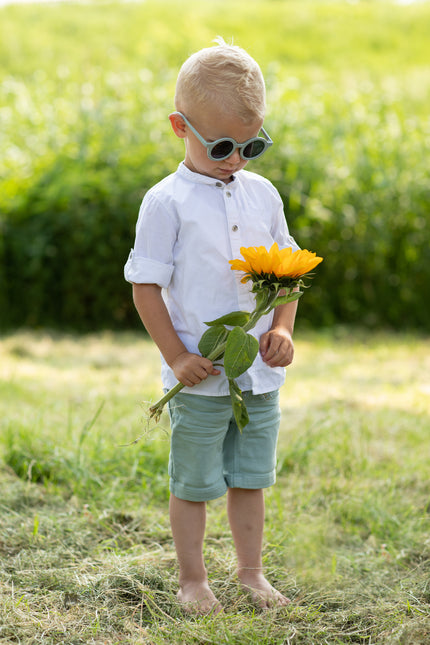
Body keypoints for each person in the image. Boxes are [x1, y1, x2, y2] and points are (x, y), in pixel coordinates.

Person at [124, 38, 300, 615]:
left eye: (253, 145)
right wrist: (176, 356)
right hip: (198, 378)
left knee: (251, 478)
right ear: (180, 126)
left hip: (257, 378)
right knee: (195, 482)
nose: (237, 160)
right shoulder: (166, 202)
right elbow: (145, 284)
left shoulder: (263, 194)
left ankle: (250, 573)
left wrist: (283, 328)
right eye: (222, 145)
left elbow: (286, 273)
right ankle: (193, 580)